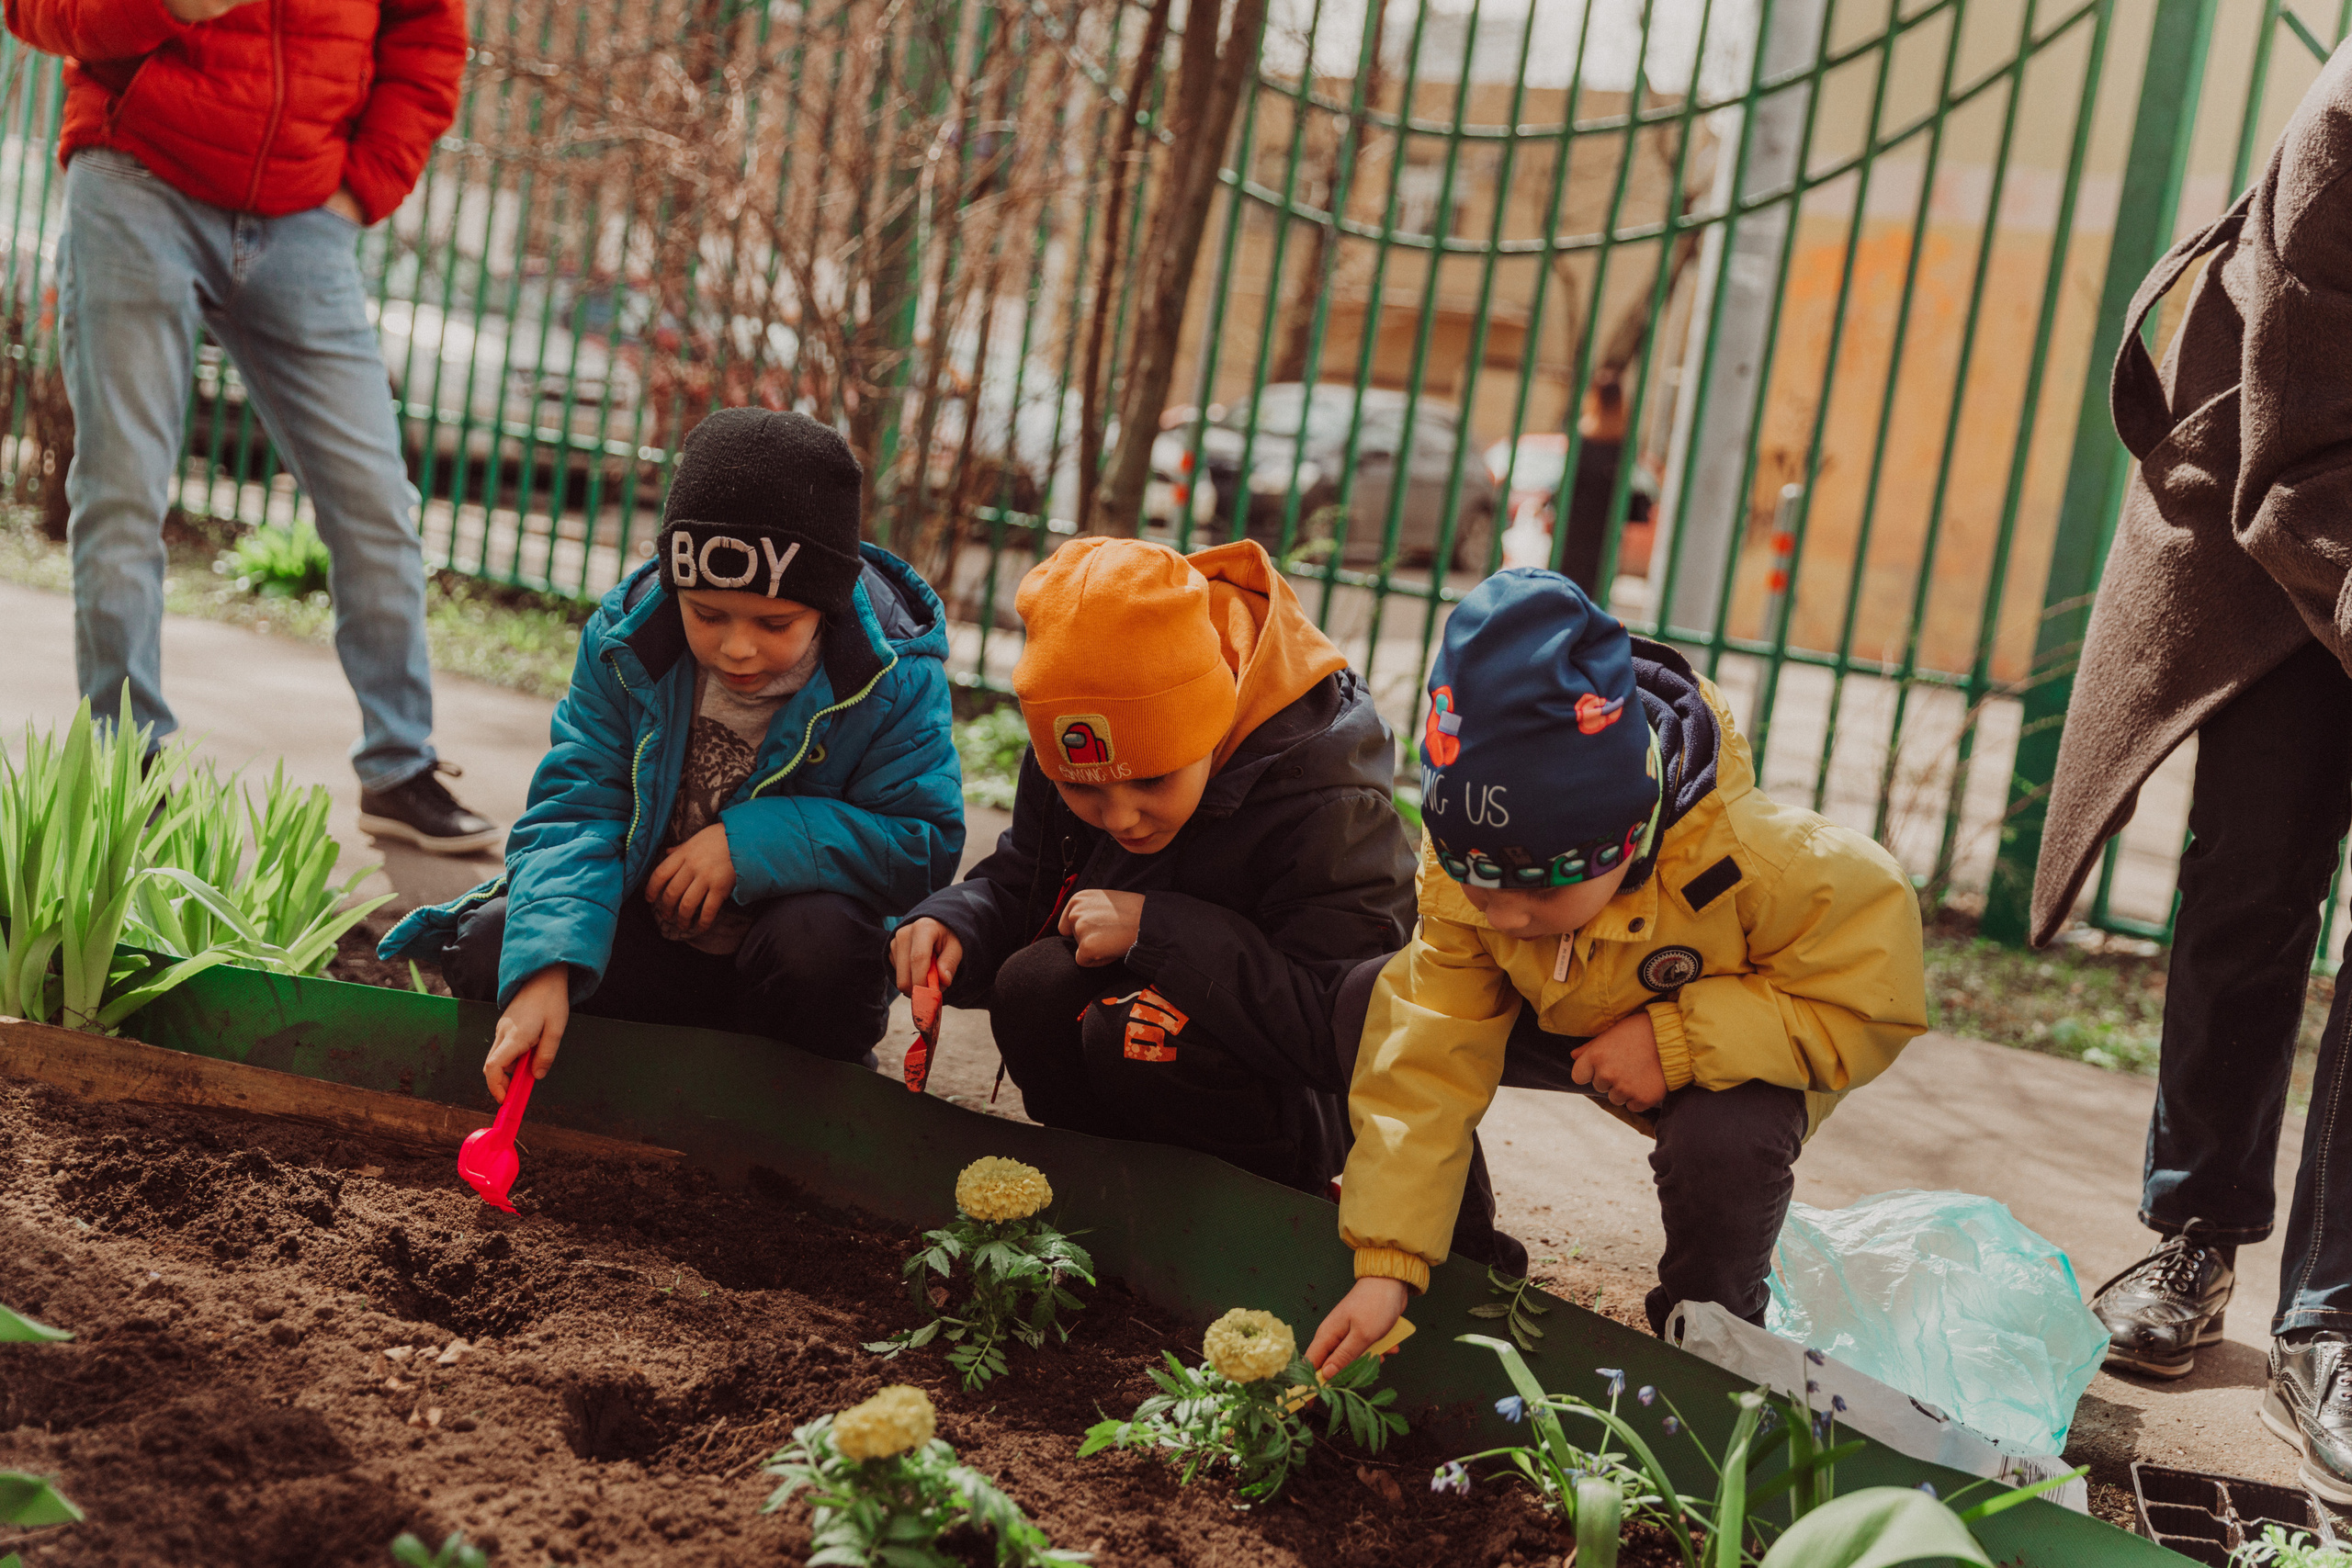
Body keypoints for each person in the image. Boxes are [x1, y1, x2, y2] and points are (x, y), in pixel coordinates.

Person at [1306, 570, 1927, 1373]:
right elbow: (1428, 1055)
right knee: (1380, 1010)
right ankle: (1456, 1275)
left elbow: (1868, 1001)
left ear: (1627, 834)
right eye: (1477, 882)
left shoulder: (1760, 860)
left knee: (1727, 1138)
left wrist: (1677, 1042)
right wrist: (1387, 1258)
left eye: (1539, 888)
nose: (1505, 917)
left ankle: (1711, 1343)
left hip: (1729, 1056)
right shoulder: (1478, 872)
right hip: (1566, 1017)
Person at [2030, 51, 2352, 1505]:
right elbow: (2299, 449)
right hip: (2290, 523)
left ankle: (2331, 1318)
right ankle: (2195, 1229)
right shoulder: (2347, 130)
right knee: (2251, 875)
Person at [6, 0, 499, 852]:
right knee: (122, 491)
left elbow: (427, 35)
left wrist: (363, 185)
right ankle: (129, 767)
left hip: (305, 214)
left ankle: (398, 765)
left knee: (375, 500)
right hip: (138, 181)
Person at [379, 408, 963, 1093]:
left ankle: (791, 1093)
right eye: (707, 614)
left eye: (775, 623)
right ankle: (610, 1074)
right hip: (649, 942)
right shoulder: (626, 641)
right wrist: (548, 967)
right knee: (494, 948)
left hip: (782, 969)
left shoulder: (893, 674)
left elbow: (921, 844)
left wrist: (751, 844)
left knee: (822, 946)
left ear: (826, 605)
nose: (737, 648)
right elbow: (578, 810)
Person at [890, 536, 1414, 1194]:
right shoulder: (1077, 747)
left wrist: (1158, 930)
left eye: (1153, 780)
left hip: (1301, 1091)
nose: (1120, 817)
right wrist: (958, 924)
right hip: (1147, 1033)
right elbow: (1028, 881)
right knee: (1032, 985)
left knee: (1139, 1033)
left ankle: (1270, 1201)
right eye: (1082, 789)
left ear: (1214, 720)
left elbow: (1338, 1020)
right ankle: (1101, 1191)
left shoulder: (1330, 802)